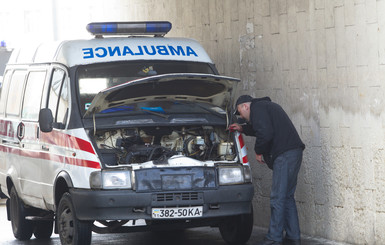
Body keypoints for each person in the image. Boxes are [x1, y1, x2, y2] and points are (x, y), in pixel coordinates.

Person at [229, 95, 305, 245]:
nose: (241, 117)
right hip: (294, 152)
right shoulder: (264, 108)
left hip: (284, 156)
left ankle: (274, 238)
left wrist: (258, 151)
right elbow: (260, 127)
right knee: (287, 197)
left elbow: (265, 132)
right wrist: (242, 128)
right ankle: (293, 237)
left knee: (277, 197)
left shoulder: (257, 109)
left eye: (240, 113)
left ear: (245, 106)